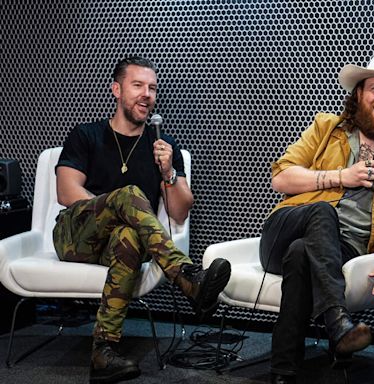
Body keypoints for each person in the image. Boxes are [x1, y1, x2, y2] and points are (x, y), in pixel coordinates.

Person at [53, 56, 231, 383]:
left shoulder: (163, 146)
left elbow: (179, 211)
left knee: (129, 237)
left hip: (119, 244)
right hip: (75, 235)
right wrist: (118, 203)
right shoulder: (86, 134)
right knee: (128, 194)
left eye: (152, 88)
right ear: (116, 90)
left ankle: (102, 352)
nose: (146, 94)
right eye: (138, 85)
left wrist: (169, 172)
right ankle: (186, 276)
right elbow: (66, 192)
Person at [259, 47, 374, 384]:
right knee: (321, 214)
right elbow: (281, 177)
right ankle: (338, 322)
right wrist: (340, 176)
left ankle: (283, 372)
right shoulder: (326, 128)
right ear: (359, 94)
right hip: (286, 228)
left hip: (343, 249)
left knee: (301, 255)